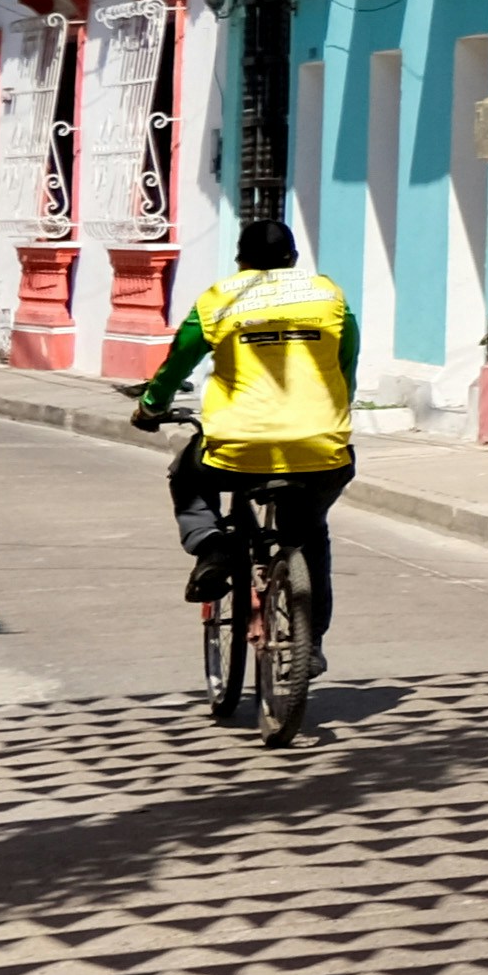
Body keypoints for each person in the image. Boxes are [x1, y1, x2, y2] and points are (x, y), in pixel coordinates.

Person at [132, 216, 360, 658]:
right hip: (321, 449)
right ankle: (309, 642)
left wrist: (151, 406)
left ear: (241, 263)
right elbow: (345, 364)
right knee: (309, 532)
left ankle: (213, 547)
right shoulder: (330, 295)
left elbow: (177, 361)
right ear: (293, 259)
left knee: (187, 474)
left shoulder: (219, 298)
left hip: (237, 450)